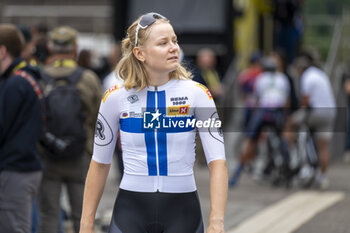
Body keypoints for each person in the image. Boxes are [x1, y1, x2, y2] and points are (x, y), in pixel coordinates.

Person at [80, 12, 228, 233]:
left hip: (183, 212)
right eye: (163, 43)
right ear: (140, 53)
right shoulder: (114, 97)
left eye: (174, 40)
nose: (173, 47)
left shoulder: (198, 94)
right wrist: (86, 224)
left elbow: (218, 162)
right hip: (130, 212)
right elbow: (100, 164)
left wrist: (217, 221)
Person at [38, 26, 102, 233]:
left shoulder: (39, 77)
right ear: (75, 47)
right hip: (81, 154)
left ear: (50, 47)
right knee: (83, 214)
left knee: (49, 214)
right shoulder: (88, 78)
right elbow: (98, 116)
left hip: (47, 155)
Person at [0, 23, 43, 233]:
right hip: (25, 166)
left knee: (14, 227)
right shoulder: (27, 77)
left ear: (2, 51)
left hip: (15, 169)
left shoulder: (14, 84)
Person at [229, 57, 290, 187]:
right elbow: (286, 100)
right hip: (278, 111)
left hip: (264, 111)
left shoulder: (261, 78)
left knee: (250, 141)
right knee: (282, 137)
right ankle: (287, 167)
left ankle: (236, 176)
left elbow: (257, 98)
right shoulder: (283, 78)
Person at [292, 52, 336, 189]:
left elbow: (306, 100)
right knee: (323, 146)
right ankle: (322, 177)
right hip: (330, 113)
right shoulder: (321, 74)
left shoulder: (307, 77)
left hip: (315, 113)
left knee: (290, 124)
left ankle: (299, 162)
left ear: (300, 68)